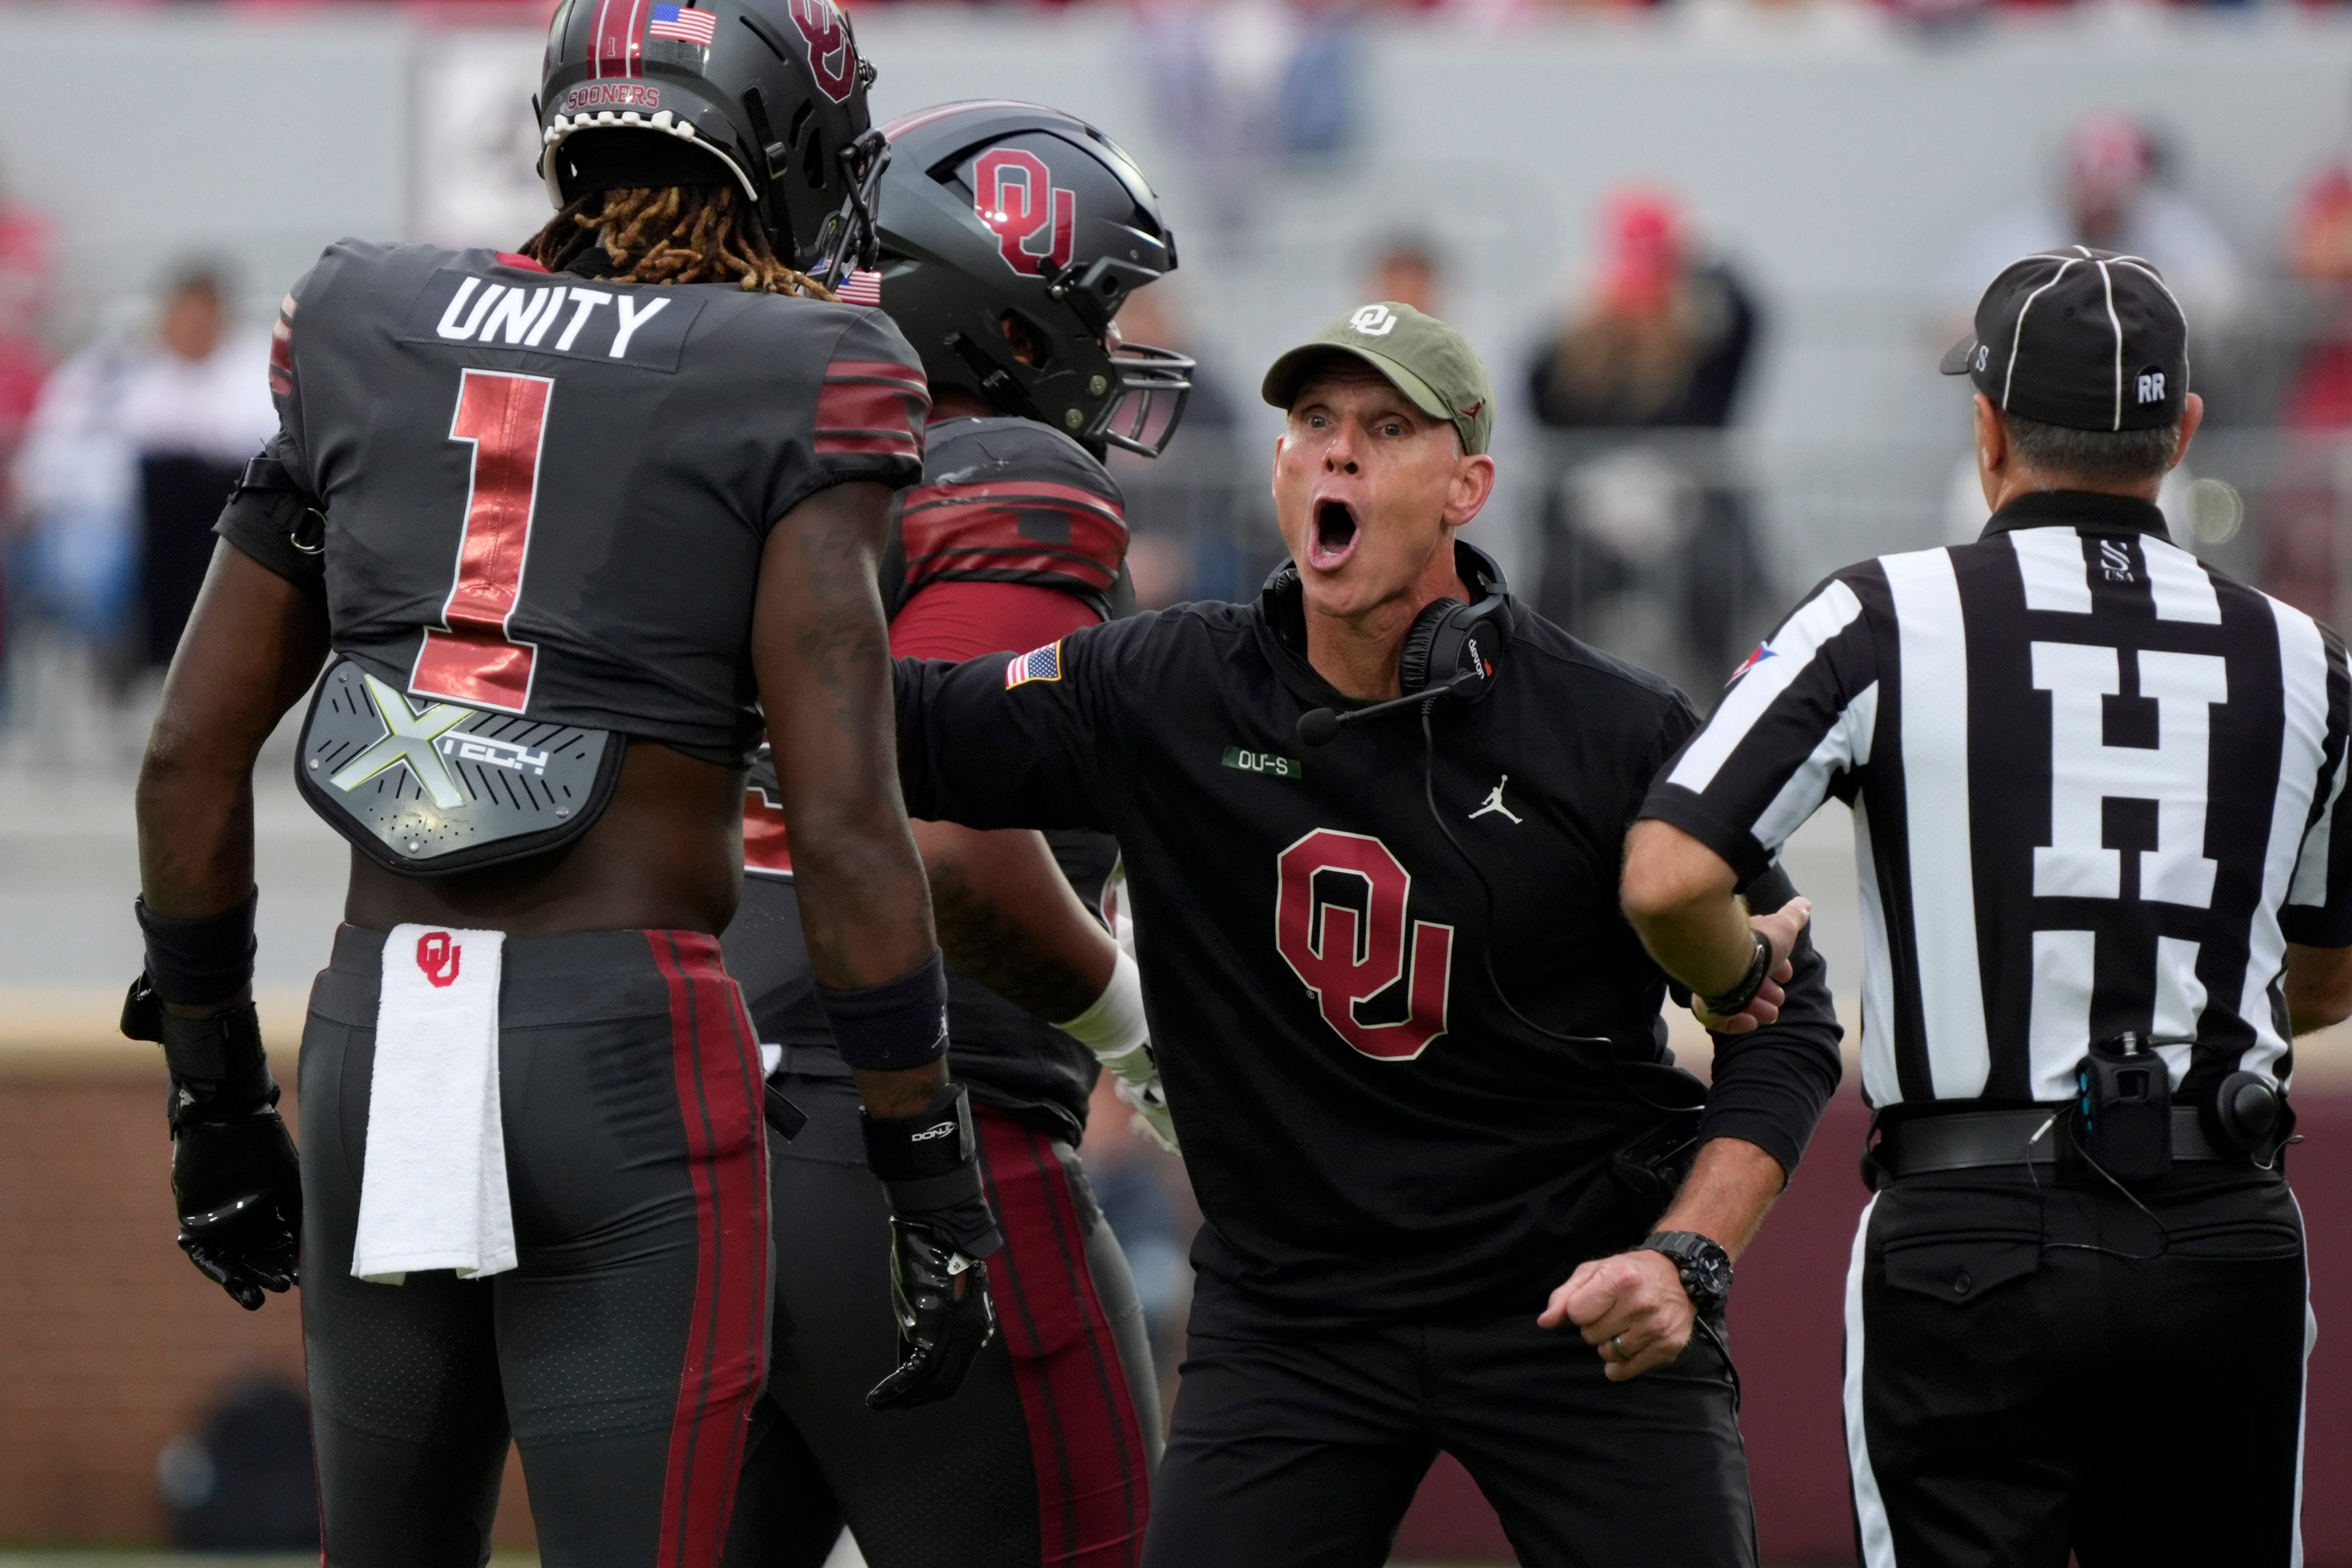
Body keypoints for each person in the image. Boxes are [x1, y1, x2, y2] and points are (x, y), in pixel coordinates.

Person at [125, 7, 1015, 1562]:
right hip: (623, 1036)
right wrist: (924, 1161)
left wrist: (213, 1094)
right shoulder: (808, 366)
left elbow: (189, 752)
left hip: (382, 1011)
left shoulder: (365, 318)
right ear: (784, 140)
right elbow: (849, 825)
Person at [886, 300, 1845, 1568]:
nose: (1336, 451)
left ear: (1467, 485)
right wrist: (788, 541)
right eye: (1314, 422)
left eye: (1386, 428)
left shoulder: (1605, 729)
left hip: (1569, 1294)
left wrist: (1688, 1258)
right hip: (1296, 1310)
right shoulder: (1167, 684)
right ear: (1280, 463)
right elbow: (894, 728)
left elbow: (1796, 1031)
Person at [1624, 248, 2351, 1568]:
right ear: (2182, 431)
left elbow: (1669, 870)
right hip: (2222, 1217)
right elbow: (2327, 967)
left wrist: (1734, 977)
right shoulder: (2304, 655)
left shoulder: (1884, 614)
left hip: (1969, 1223)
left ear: (1986, 427)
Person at [717, 100, 1191, 1568]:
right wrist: (1137, 1040)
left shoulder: (760, 456)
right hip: (923, 1135)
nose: (1117, 347)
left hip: (693, 1147)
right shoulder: (1011, 477)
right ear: (1008, 309)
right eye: (1098, 304)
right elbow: (956, 841)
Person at [1525, 187, 1766, 681]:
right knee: (1557, 587)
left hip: (1688, 518)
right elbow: (1540, 401)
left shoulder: (1699, 358)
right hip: (1591, 526)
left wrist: (1712, 258)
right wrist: (1555, 324)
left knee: (1718, 581)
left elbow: (1751, 325)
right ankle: (1543, 686)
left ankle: (1727, 696)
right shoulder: (1581, 363)